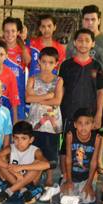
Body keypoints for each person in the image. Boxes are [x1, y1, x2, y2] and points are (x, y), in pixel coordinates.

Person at [65, 6, 103, 163]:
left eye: (93, 19)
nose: (90, 23)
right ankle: (77, 158)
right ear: (82, 21)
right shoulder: (72, 43)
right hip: (79, 93)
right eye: (87, 20)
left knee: (101, 128)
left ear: (99, 21)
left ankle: (99, 160)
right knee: (78, 125)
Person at [58, 29, 103, 184]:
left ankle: (88, 179)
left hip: (90, 116)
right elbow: (61, 90)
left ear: (92, 43)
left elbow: (100, 93)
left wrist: (98, 116)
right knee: (66, 147)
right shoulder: (66, 65)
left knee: (89, 146)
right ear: (74, 43)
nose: (83, 43)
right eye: (80, 40)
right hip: (69, 114)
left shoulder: (97, 66)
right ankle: (65, 177)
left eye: (87, 40)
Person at [25, 47, 64, 187]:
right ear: (39, 62)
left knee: (51, 152)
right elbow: (28, 98)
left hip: (52, 126)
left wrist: (37, 98)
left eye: (50, 62)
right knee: (34, 151)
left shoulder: (59, 80)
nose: (47, 66)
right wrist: (47, 96)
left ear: (56, 64)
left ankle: (49, 179)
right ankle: (35, 174)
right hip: (35, 123)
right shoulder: (32, 79)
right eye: (44, 62)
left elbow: (57, 101)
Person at [0, 121, 50, 204]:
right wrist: (13, 170)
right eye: (16, 138)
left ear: (31, 139)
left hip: (29, 186)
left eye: (23, 138)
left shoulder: (35, 150)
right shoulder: (10, 148)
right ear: (12, 138)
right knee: (0, 160)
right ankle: (22, 190)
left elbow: (46, 164)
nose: (19, 142)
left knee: (38, 164)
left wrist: (21, 167)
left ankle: (8, 192)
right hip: (14, 184)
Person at [60, 108, 103, 204]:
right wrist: (69, 180)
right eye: (80, 123)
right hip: (71, 175)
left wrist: (89, 184)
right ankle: (75, 195)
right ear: (75, 125)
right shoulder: (70, 135)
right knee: (65, 195)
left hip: (87, 177)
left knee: (88, 199)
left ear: (92, 125)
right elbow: (68, 159)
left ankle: (78, 196)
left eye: (87, 123)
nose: (83, 127)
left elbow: (93, 162)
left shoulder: (96, 138)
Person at [3, 17, 31, 116]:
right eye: (6, 31)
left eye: (13, 31)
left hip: (18, 98)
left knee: (18, 129)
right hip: (0, 97)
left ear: (18, 32)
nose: (10, 34)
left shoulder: (26, 51)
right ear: (3, 32)